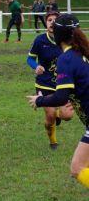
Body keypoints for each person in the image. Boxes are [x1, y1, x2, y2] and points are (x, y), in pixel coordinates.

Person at [27, 14, 89, 189]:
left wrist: (39, 100)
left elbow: (61, 96)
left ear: (59, 35)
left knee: (77, 168)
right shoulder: (82, 53)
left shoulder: (66, 58)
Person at [27, 11, 73, 150]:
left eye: (55, 20)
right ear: (46, 23)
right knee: (50, 115)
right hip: (44, 83)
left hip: (63, 83)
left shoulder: (67, 40)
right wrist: (36, 67)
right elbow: (30, 58)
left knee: (68, 115)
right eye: (49, 20)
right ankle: (53, 142)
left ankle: (58, 114)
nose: (52, 22)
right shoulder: (40, 40)